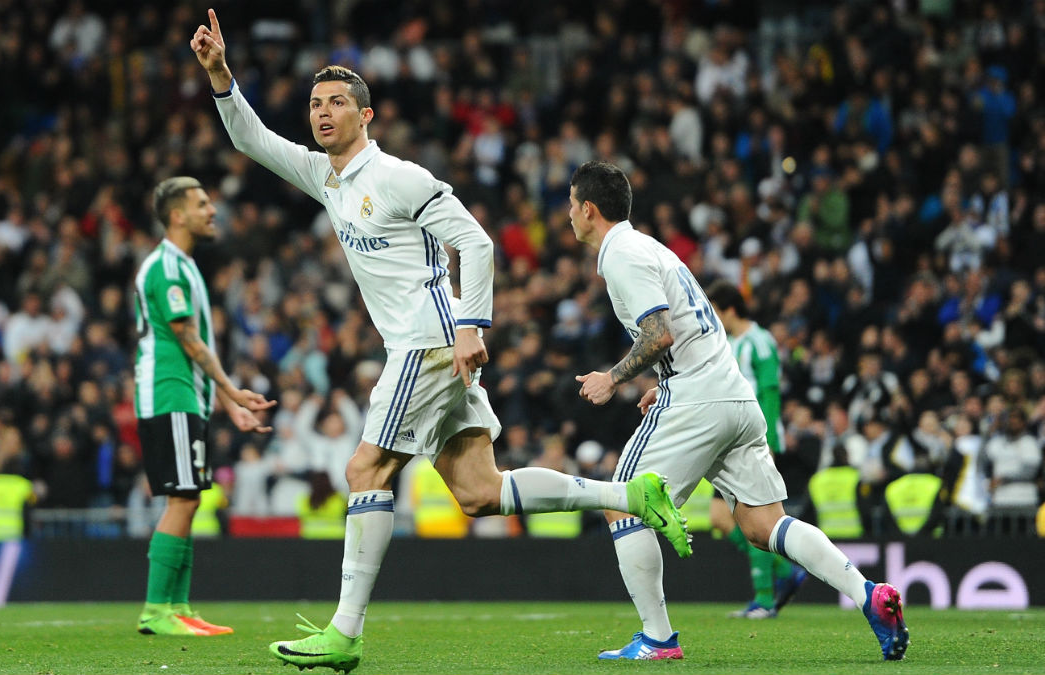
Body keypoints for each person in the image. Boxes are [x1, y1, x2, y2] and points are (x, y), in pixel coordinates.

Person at [191, 12, 687, 672]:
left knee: (363, 470)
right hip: (429, 346)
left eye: (338, 102)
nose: (323, 112)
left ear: (366, 115)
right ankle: (628, 495)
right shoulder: (327, 177)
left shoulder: (398, 176)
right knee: (481, 492)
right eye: (315, 104)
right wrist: (221, 74)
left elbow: (475, 241)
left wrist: (470, 327)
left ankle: (345, 631)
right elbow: (253, 140)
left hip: (428, 343)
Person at [568, 160, 909, 662]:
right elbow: (683, 332)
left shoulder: (622, 254)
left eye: (572, 204)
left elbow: (658, 332)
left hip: (699, 395)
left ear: (589, 209)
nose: (568, 214)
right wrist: (662, 380)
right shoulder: (653, 249)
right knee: (764, 525)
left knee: (622, 502)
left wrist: (613, 377)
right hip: (732, 393)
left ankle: (658, 639)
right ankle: (869, 595)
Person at [133, 176, 276, 637]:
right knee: (182, 497)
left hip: (187, 395)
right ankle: (158, 610)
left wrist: (222, 404)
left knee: (190, 498)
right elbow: (188, 339)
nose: (212, 210)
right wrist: (233, 391)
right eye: (202, 204)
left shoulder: (185, 266)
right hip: (169, 392)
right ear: (177, 215)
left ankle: (179, 607)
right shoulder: (167, 267)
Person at [706, 279, 807, 618]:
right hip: (729, 441)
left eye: (715, 311)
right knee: (721, 517)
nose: (712, 318)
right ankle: (783, 572)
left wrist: (769, 443)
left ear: (729, 309)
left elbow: (770, 393)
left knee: (755, 519)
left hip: (754, 441)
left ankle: (765, 599)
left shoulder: (760, 342)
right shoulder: (728, 343)